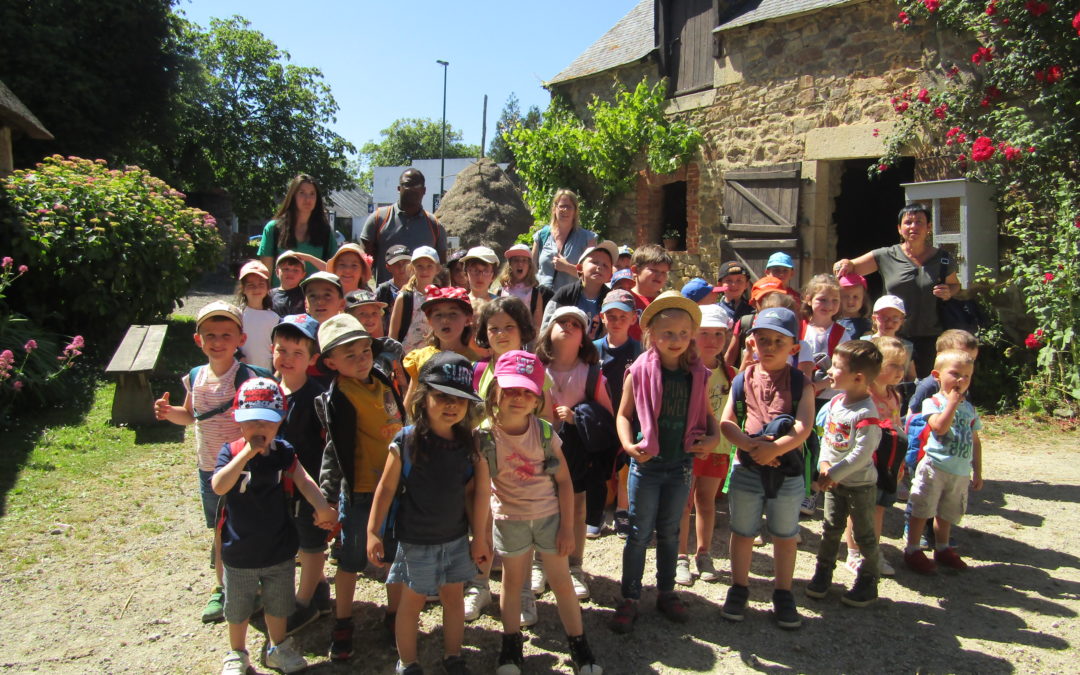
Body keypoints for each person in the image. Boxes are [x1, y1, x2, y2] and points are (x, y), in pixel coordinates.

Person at [366, 352, 489, 675]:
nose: (451, 405)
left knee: (453, 600)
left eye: (460, 400)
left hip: (455, 538)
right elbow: (386, 488)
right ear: (423, 398)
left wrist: (480, 539)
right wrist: (372, 531)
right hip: (415, 540)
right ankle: (407, 662)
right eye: (442, 397)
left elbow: (478, 496)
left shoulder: (469, 443)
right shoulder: (406, 440)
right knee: (411, 604)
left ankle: (453, 655)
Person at [481, 350, 602, 675]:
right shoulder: (486, 437)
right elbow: (481, 491)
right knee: (511, 583)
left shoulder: (546, 434)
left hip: (548, 519)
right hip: (509, 522)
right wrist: (480, 538)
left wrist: (566, 528)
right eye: (510, 390)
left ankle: (579, 644)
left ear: (537, 398)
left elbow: (564, 482)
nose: (518, 398)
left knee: (561, 581)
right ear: (495, 392)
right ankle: (510, 646)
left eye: (526, 391)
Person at [610, 292, 720, 633]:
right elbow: (624, 415)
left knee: (671, 532)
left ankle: (666, 590)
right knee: (640, 534)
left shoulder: (696, 374)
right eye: (667, 333)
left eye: (683, 333)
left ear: (691, 336)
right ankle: (629, 597)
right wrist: (628, 444)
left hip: (681, 465)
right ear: (651, 336)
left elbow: (710, 417)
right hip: (648, 466)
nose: (676, 340)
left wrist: (713, 439)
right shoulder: (639, 371)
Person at [153, 301, 269, 624]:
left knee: (246, 526)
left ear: (240, 339)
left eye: (225, 335)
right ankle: (224, 587)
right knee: (220, 530)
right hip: (209, 468)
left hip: (242, 466)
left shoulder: (245, 377)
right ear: (198, 339)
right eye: (210, 335)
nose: (218, 342)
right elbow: (190, 416)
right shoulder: (194, 377)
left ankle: (253, 582)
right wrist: (168, 413)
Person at [212, 377, 337, 675]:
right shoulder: (230, 452)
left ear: (279, 421)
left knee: (278, 604)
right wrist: (245, 455)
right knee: (238, 607)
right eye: (251, 422)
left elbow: (304, 480)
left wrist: (321, 506)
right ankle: (236, 653)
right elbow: (219, 486)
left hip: (279, 547)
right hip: (239, 548)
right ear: (239, 422)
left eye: (267, 422)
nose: (259, 429)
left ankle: (277, 647)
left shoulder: (283, 452)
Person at [315, 314, 405, 660]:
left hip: (395, 486)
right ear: (330, 362)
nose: (360, 359)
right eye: (349, 355)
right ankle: (343, 620)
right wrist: (326, 495)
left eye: (365, 350)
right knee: (350, 558)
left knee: (395, 555)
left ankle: (395, 616)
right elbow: (333, 451)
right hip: (362, 490)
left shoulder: (381, 379)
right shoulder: (339, 396)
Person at [719, 307, 814, 630]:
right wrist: (751, 448)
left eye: (778, 341)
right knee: (743, 532)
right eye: (762, 340)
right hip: (747, 469)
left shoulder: (802, 383)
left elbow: (803, 427)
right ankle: (739, 586)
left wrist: (774, 449)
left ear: (794, 347)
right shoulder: (741, 379)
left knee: (785, 535)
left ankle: (783, 592)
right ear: (751, 343)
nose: (769, 347)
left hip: (786, 471)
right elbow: (727, 422)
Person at [535, 307, 614, 602]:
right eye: (561, 322)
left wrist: (577, 416)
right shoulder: (534, 367)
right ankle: (539, 564)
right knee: (539, 507)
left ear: (584, 338)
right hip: (537, 449)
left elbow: (606, 415)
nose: (568, 327)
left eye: (575, 324)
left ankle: (574, 565)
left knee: (577, 508)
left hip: (575, 453)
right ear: (548, 331)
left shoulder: (592, 373)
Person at [833, 202, 961, 377]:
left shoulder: (943, 259)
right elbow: (850, 267)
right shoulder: (886, 255)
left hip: (929, 335)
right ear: (899, 229)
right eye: (908, 223)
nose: (913, 226)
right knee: (890, 382)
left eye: (919, 222)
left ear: (929, 227)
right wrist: (845, 263)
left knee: (926, 384)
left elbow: (955, 285)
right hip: (893, 335)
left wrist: (949, 292)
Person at [805, 340, 884, 607]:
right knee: (830, 528)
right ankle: (823, 573)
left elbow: (861, 456)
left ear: (858, 377)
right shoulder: (837, 401)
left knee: (863, 534)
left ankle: (868, 579)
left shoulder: (866, 414)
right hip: (833, 481)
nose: (829, 371)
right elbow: (826, 436)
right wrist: (824, 464)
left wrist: (834, 473)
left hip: (859, 486)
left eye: (837, 367)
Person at [905, 350, 984, 575]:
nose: (961, 380)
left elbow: (975, 441)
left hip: (959, 470)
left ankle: (942, 547)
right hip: (934, 466)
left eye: (967, 376)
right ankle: (912, 549)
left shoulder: (969, 408)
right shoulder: (934, 402)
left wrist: (977, 471)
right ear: (937, 375)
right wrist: (951, 404)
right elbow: (939, 427)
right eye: (955, 374)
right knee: (923, 508)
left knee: (947, 512)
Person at [676, 304, 733, 585]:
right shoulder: (684, 369)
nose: (711, 341)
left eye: (718, 334)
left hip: (719, 448)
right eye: (705, 333)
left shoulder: (730, 373)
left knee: (707, 503)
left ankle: (703, 553)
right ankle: (680, 557)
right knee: (683, 504)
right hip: (688, 448)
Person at [843, 336, 908, 578]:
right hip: (864, 462)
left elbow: (898, 428)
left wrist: (899, 462)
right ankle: (853, 552)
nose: (900, 371)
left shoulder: (895, 395)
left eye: (902, 366)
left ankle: (872, 551)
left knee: (879, 508)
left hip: (886, 463)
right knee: (858, 508)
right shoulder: (863, 396)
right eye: (893, 365)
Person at [591, 289, 642, 540]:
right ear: (602, 317)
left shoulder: (640, 351)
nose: (617, 322)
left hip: (629, 417)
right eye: (611, 316)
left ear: (634, 318)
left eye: (623, 316)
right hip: (600, 417)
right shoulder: (592, 350)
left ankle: (624, 509)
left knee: (625, 466)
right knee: (599, 466)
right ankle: (597, 510)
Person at [361, 168, 447, 285]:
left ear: (424, 190)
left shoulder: (434, 225)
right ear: (398, 188)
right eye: (407, 184)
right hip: (387, 298)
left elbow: (442, 269)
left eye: (416, 185)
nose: (411, 189)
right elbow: (364, 266)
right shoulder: (378, 219)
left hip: (423, 299)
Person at [402, 287, 478, 410]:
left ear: (468, 319)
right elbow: (410, 401)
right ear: (429, 321)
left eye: (453, 314)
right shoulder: (421, 357)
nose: (445, 320)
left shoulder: (476, 361)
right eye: (438, 315)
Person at [257, 174, 338, 283]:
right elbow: (265, 274)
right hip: (279, 298)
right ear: (292, 196)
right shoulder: (273, 229)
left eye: (312, 194)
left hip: (313, 298)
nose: (307, 199)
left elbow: (334, 271)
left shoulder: (325, 232)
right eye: (302, 193)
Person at [540, 241, 616, 341]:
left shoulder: (611, 299)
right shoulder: (565, 294)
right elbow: (547, 325)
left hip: (597, 353)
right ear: (580, 268)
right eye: (595, 262)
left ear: (610, 276)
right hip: (565, 348)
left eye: (605, 265)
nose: (600, 267)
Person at [532, 189, 598, 292]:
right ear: (554, 209)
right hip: (542, 301)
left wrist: (567, 267)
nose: (565, 210)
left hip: (571, 301)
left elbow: (592, 275)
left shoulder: (587, 239)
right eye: (562, 206)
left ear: (575, 211)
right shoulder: (541, 236)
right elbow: (531, 269)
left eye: (569, 207)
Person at [345, 289, 407, 394]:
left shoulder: (389, 348)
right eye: (362, 313)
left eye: (374, 313)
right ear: (348, 317)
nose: (370, 318)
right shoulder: (344, 349)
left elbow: (402, 383)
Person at [388, 246, 442, 353]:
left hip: (435, 358)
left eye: (429, 266)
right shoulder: (404, 298)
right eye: (420, 266)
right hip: (406, 361)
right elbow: (392, 336)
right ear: (412, 268)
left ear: (437, 269)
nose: (424, 270)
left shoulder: (442, 297)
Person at [863, 295, 918, 383]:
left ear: (902, 320)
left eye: (895, 319)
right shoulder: (865, 343)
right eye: (884, 318)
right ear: (874, 319)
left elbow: (911, 376)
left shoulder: (906, 346)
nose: (889, 322)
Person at [235, 260, 278, 371]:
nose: (256, 288)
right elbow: (229, 342)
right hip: (241, 371)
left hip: (267, 372)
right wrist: (238, 356)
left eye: (261, 284)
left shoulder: (274, 318)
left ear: (268, 288)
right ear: (243, 289)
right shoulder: (237, 315)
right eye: (251, 285)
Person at [497, 243, 549, 333]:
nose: (520, 264)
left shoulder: (535, 294)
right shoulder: (499, 291)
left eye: (524, 260)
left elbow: (537, 326)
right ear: (510, 264)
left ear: (529, 266)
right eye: (516, 260)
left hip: (526, 342)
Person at [627, 244, 673, 341]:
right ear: (635, 270)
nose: (659, 276)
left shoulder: (667, 303)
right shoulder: (623, 298)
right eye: (654, 270)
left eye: (664, 272)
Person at [375, 244, 412, 333]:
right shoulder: (382, 291)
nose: (401, 267)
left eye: (405, 262)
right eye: (396, 264)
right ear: (388, 267)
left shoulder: (418, 288)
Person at [461, 246, 499, 316]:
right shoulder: (459, 304)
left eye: (486, 271)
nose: (480, 276)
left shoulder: (500, 305)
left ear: (493, 275)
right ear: (466, 273)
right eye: (475, 270)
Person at [270, 251, 307, 317]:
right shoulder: (268, 295)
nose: (290, 273)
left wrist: (309, 258)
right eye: (286, 269)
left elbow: (330, 273)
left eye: (295, 270)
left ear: (303, 274)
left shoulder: (307, 294)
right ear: (277, 272)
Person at [837, 272, 872, 340]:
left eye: (855, 297)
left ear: (863, 299)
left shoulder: (866, 326)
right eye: (846, 296)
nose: (850, 301)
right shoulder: (832, 320)